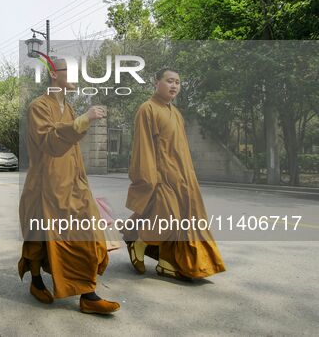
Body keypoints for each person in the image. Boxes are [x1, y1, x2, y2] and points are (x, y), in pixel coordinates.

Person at [18, 58, 120, 314]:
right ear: (54, 74)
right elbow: (51, 142)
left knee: (88, 236)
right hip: (47, 187)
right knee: (41, 239)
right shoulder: (38, 107)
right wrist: (83, 120)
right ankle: (37, 281)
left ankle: (88, 294)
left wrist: (82, 182)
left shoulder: (70, 108)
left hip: (74, 185)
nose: (77, 76)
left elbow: (72, 151)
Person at [123, 68, 226, 280]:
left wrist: (189, 176)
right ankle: (138, 243)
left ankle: (166, 263)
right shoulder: (147, 109)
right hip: (161, 176)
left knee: (186, 222)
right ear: (156, 82)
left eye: (178, 83)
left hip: (183, 177)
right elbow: (144, 147)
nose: (174, 86)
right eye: (169, 81)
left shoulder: (176, 113)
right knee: (168, 218)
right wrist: (149, 178)